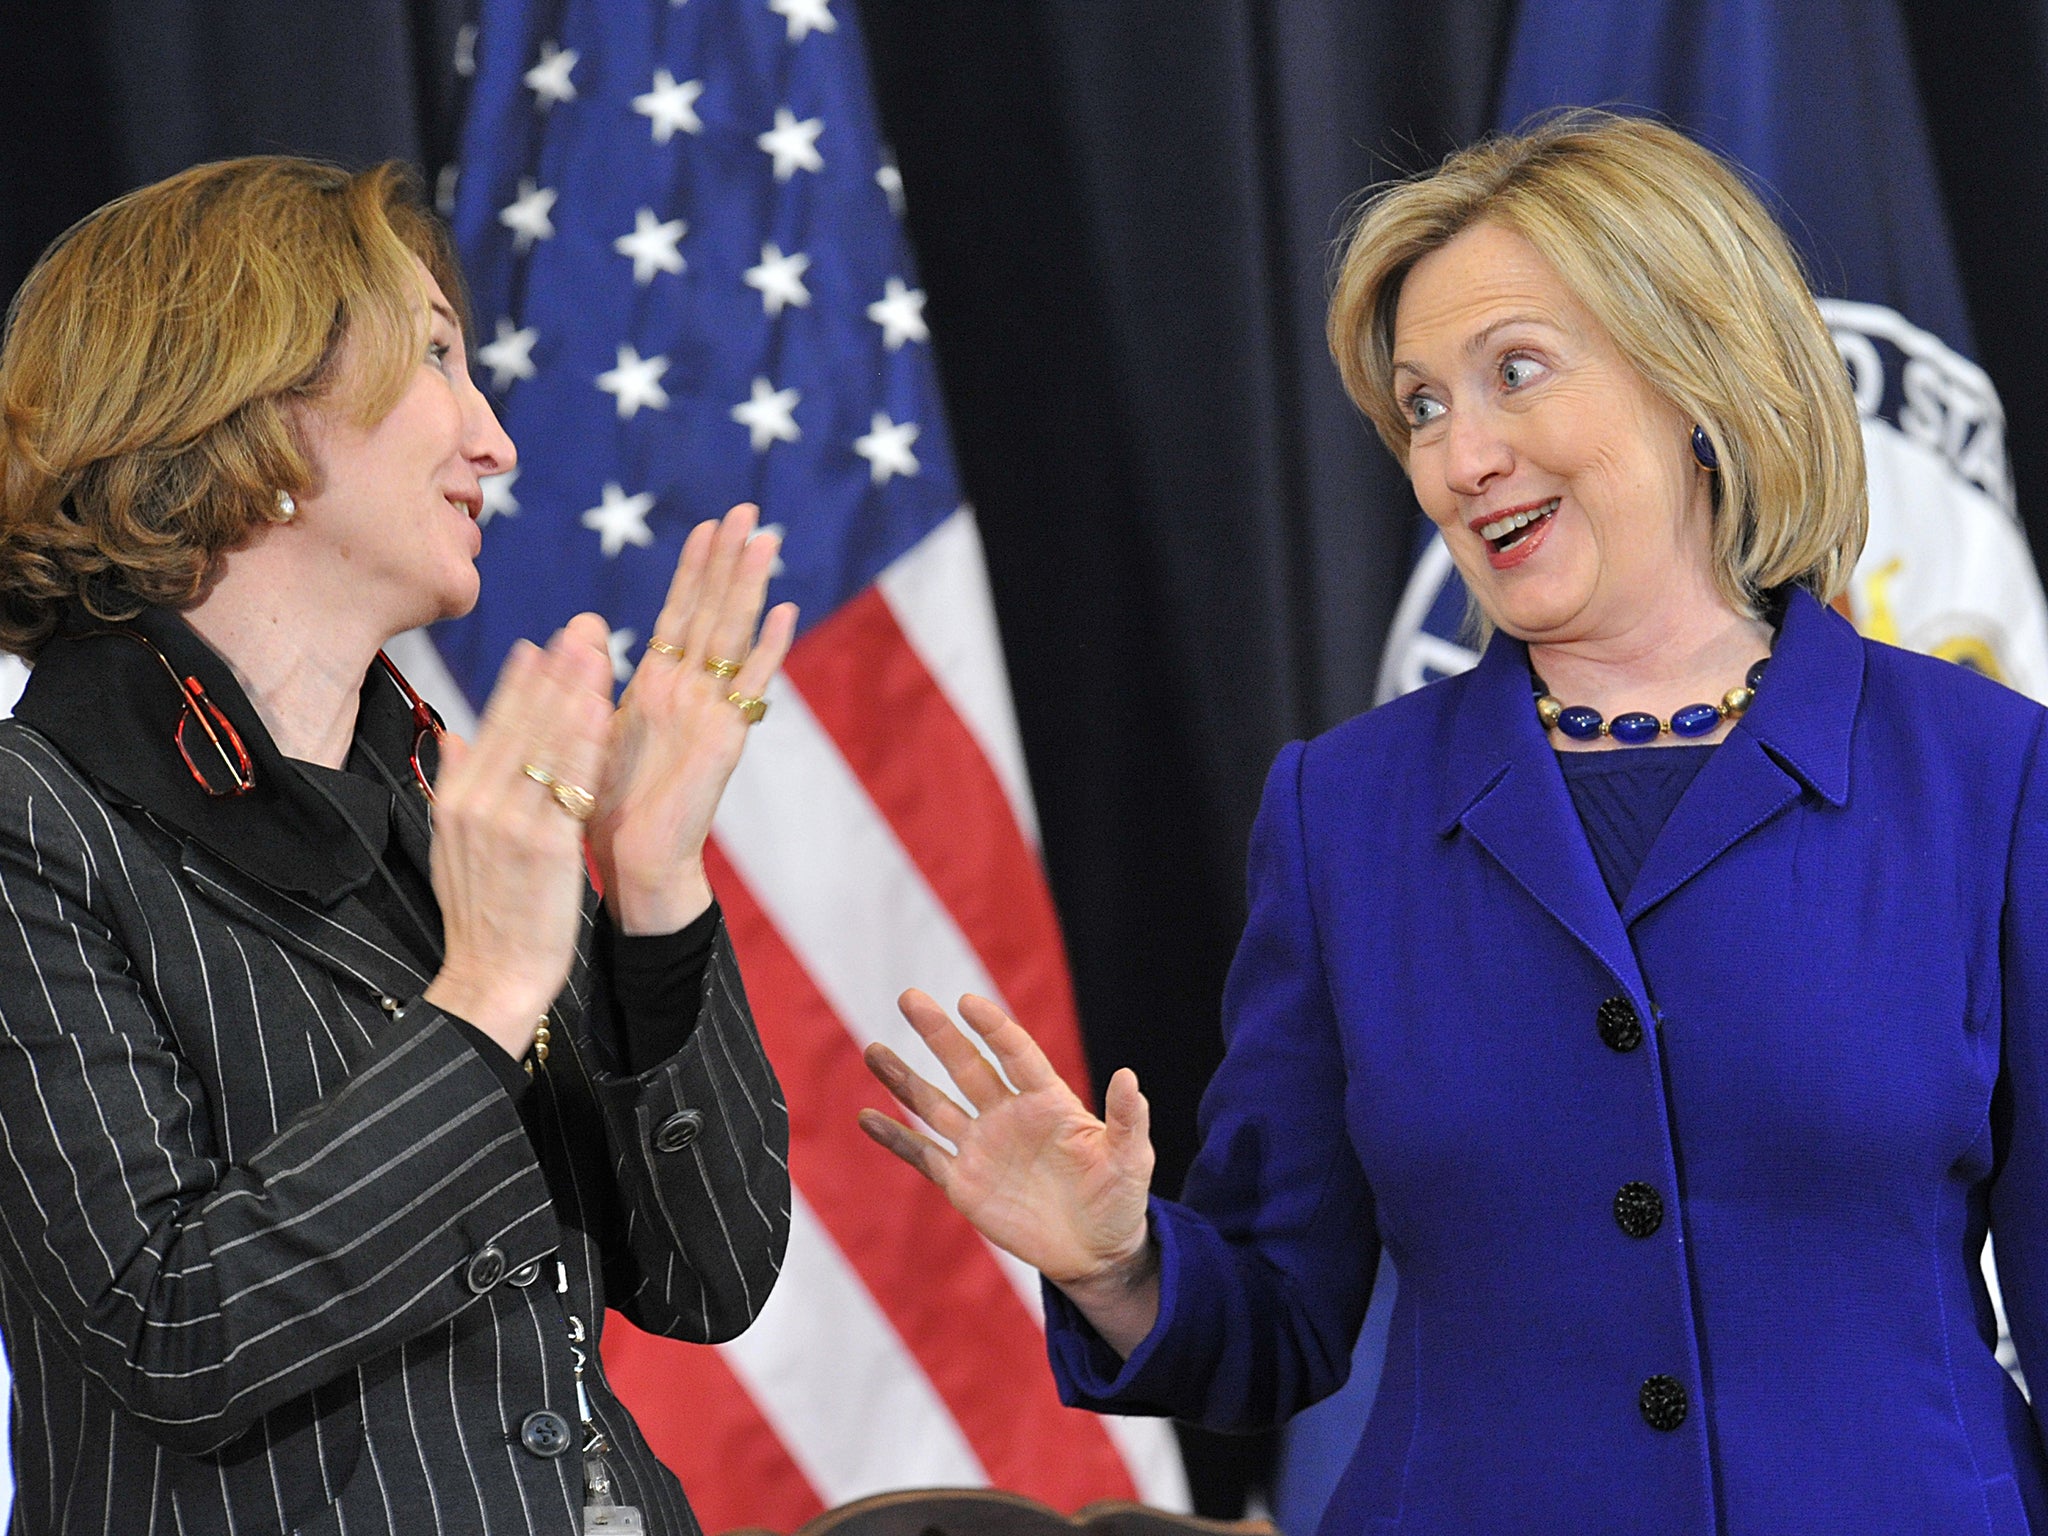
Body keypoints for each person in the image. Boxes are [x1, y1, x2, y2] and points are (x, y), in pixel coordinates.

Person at [859, 111, 2048, 1533]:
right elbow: (1280, 1319)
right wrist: (1120, 1266)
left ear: (1697, 378)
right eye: (1423, 407)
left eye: (1516, 375)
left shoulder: (1986, 773)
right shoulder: (1346, 811)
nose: (1459, 456)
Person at [0, 157, 794, 1534]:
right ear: (247, 400)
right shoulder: (34, 819)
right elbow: (171, 1330)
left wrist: (656, 885)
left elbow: (708, 1279)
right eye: (436, 357)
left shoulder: (441, 801)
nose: (497, 442)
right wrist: (484, 993)